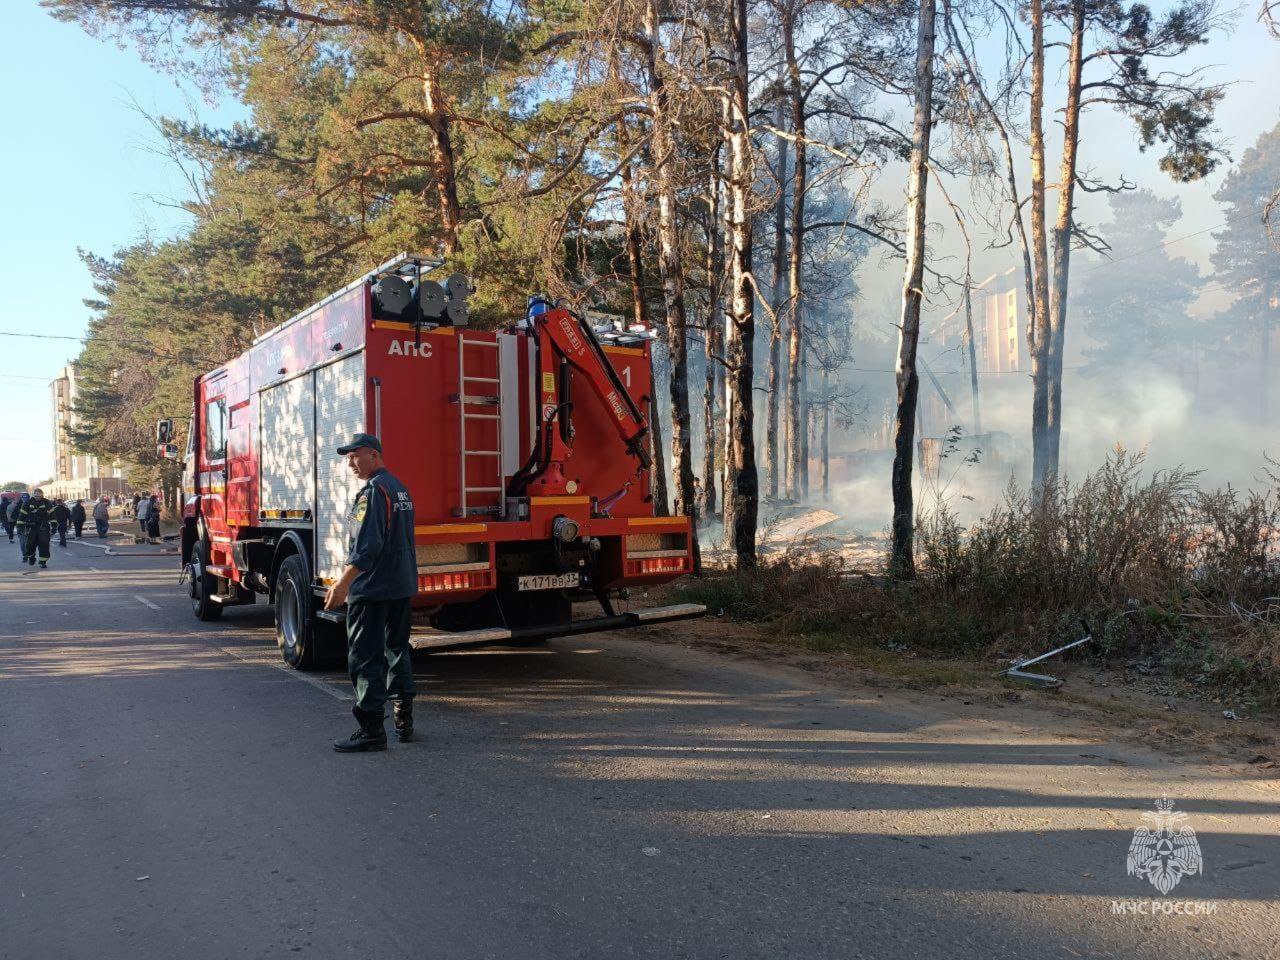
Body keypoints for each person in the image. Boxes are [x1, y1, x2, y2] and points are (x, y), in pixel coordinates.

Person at [324, 433, 417, 753]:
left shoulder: (374, 492)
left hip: (374, 589)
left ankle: (371, 729)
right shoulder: (399, 487)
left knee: (365, 657)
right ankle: (404, 719)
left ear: (374, 455)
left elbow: (367, 546)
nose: (350, 463)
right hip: (400, 586)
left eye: (355, 456)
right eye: (347, 458)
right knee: (397, 649)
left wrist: (343, 584)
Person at [17, 489, 53, 569]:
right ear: (33, 495)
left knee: (44, 545)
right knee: (29, 545)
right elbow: (22, 515)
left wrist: (54, 526)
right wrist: (19, 527)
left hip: (43, 527)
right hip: (31, 528)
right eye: (36, 495)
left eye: (39, 495)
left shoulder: (47, 502)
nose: (37, 497)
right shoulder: (27, 503)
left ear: (42, 495)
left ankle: (42, 562)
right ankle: (31, 557)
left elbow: (52, 515)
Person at [12, 492, 30, 559]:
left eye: (26, 498)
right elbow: (13, 516)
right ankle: (25, 556)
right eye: (23, 498)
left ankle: (30, 554)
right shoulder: (18, 506)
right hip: (21, 527)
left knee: (30, 543)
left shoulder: (32, 506)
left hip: (30, 527)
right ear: (21, 498)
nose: (25, 499)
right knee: (22, 543)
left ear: (29, 498)